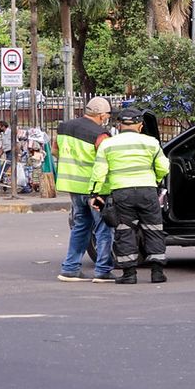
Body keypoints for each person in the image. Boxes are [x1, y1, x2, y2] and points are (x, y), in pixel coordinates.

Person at [91, 104, 170, 285]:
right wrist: (155, 180)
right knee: (154, 229)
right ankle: (157, 273)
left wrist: (95, 193)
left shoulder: (108, 144)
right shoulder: (151, 142)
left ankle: (129, 274)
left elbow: (99, 171)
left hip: (121, 193)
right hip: (147, 191)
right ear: (140, 126)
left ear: (119, 125)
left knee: (124, 231)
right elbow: (164, 167)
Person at [54, 97, 116, 283]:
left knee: (81, 226)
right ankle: (103, 270)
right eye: (107, 115)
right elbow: (107, 160)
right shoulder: (100, 134)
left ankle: (70, 268)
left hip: (73, 186)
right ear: (101, 115)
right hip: (95, 189)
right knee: (103, 228)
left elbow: (56, 150)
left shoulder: (64, 127)